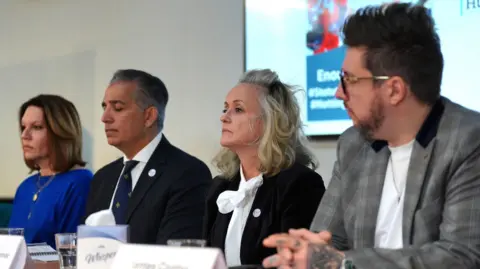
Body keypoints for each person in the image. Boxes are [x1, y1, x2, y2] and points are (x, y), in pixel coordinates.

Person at [262, 3, 480, 269]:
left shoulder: (468, 141)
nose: (338, 93)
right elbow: (326, 242)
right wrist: (302, 255)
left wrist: (341, 263)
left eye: (349, 80)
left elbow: (460, 257)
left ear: (394, 90)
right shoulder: (353, 145)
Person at [203, 69, 325, 266]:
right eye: (225, 108)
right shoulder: (220, 186)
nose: (224, 117)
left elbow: (296, 263)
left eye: (238, 109)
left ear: (269, 121)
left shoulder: (299, 184)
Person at [84, 69, 212, 244]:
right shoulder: (102, 178)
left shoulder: (187, 173)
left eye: (118, 108)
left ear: (149, 116)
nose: (105, 117)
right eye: (104, 107)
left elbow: (176, 254)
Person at [9, 94, 93, 248]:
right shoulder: (25, 187)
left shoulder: (80, 183)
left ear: (60, 132)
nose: (24, 135)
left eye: (37, 127)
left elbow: (72, 257)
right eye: (23, 127)